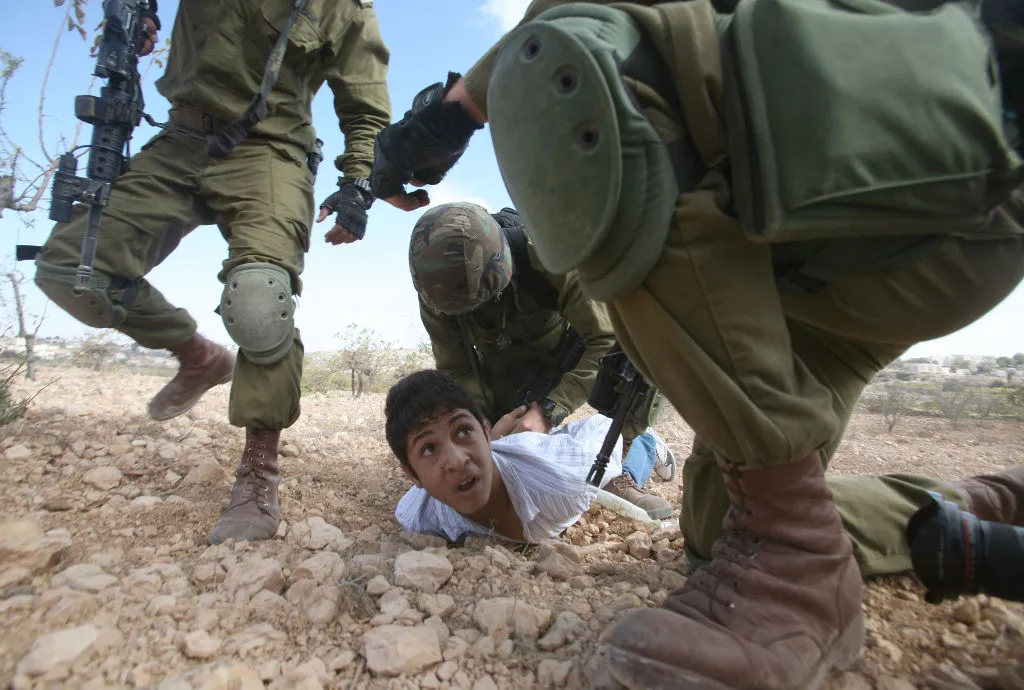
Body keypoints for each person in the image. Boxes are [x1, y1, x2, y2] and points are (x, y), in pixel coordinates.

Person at [366, 1, 1024, 687]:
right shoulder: (440, 300)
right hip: (812, 288)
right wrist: (449, 115)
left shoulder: (544, 262)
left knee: (577, 95)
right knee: (716, 526)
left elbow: (563, 43)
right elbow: (456, 371)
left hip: (935, 179)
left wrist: (461, 109)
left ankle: (797, 566)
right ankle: (984, 500)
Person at [31, 0, 417, 546]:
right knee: (72, 268)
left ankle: (259, 472)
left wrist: (358, 184)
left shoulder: (344, 8)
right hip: (181, 139)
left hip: (272, 151)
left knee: (260, 300)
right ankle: (198, 356)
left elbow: (365, 107)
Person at [409, 200, 674, 518]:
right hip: (507, 373)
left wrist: (548, 411)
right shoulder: (436, 289)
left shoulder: (548, 253)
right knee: (508, 455)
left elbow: (604, 339)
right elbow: (458, 369)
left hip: (569, 354)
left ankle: (627, 456)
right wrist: (481, 429)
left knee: (637, 348)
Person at [388, 368, 631, 542]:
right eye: (429, 449)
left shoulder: (566, 481)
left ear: (486, 432)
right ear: (412, 476)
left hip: (535, 450)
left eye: (463, 431)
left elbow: (606, 428)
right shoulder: (418, 518)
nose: (457, 461)